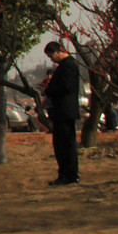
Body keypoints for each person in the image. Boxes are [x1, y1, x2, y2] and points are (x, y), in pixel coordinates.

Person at [43, 41, 81, 185]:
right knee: (60, 145)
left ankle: (70, 175)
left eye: (51, 56)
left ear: (57, 52)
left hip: (65, 111)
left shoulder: (68, 66)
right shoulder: (64, 66)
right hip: (61, 112)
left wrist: (48, 91)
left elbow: (65, 87)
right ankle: (64, 174)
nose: (51, 59)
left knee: (66, 145)